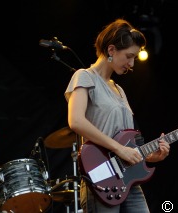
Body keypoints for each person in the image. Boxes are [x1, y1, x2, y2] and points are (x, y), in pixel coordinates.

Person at [65, 18, 170, 213]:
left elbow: (128, 144)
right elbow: (76, 120)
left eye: (135, 59)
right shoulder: (85, 76)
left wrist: (149, 156)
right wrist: (120, 150)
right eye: (129, 56)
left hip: (127, 177)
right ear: (111, 50)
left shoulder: (119, 90)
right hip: (101, 178)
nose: (131, 64)